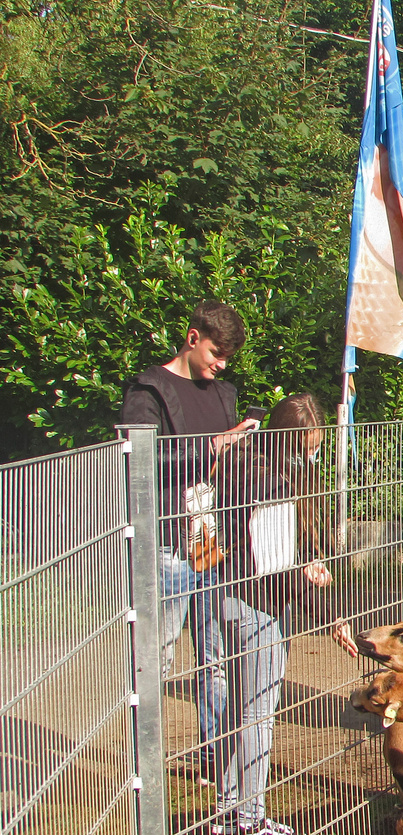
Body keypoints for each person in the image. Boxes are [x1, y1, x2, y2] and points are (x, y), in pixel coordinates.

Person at [119, 300, 259, 782]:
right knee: (157, 656)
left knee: (214, 653)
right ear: (192, 337)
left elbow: (223, 468)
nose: (220, 365)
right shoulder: (148, 391)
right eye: (216, 353)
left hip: (210, 540)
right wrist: (214, 445)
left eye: (227, 359)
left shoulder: (222, 393)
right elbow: (139, 462)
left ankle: (214, 754)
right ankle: (143, 761)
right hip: (168, 544)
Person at [210, 392, 333, 835]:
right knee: (257, 714)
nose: (310, 457)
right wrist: (327, 615)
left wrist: (302, 564)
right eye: (306, 448)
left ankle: (229, 811)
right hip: (255, 604)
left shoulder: (243, 460)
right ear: (290, 442)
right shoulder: (273, 483)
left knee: (239, 712)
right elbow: (279, 565)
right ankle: (250, 819)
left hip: (227, 593)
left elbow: (272, 551)